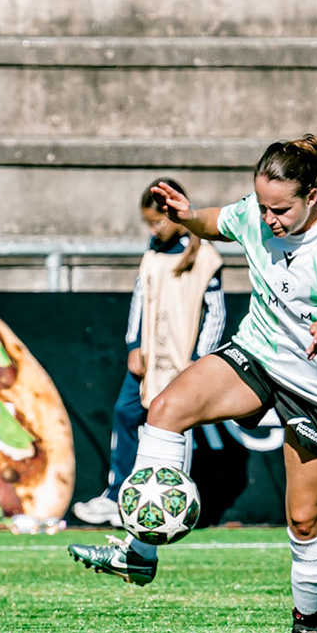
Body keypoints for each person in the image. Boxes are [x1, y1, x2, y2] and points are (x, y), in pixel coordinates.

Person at [67, 136, 317, 633]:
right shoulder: (255, 214)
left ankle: (309, 630)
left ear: (312, 195)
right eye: (262, 205)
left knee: (305, 520)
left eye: (281, 209)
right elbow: (215, 223)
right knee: (166, 410)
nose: (268, 219)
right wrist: (187, 215)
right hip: (258, 355)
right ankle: (141, 551)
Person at [71, 179, 227, 526]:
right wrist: (134, 345)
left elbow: (216, 312)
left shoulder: (205, 257)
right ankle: (118, 497)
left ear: (174, 215)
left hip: (183, 360)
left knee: (176, 427)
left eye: (158, 221)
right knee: (126, 414)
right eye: (149, 223)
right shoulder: (153, 249)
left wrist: (201, 358)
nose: (154, 228)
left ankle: (174, 503)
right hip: (149, 357)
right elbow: (140, 299)